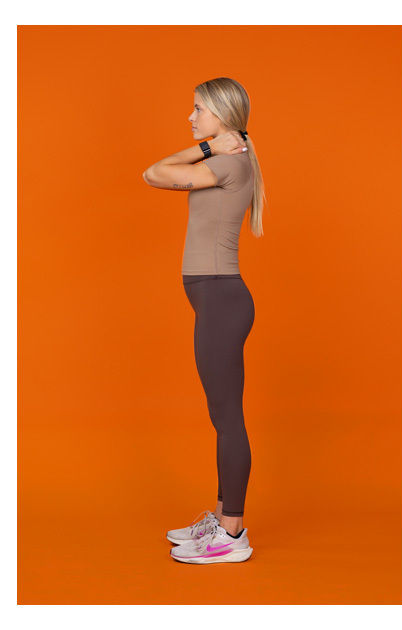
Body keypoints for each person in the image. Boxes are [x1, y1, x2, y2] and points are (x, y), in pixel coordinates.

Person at [142, 77, 267, 564]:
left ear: (221, 116)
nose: (191, 118)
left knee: (227, 419)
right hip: (216, 299)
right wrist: (209, 143)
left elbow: (153, 172)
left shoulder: (228, 163)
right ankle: (222, 516)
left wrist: (204, 146)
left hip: (221, 300)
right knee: (222, 417)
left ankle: (233, 536)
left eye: (198, 110)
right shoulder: (227, 160)